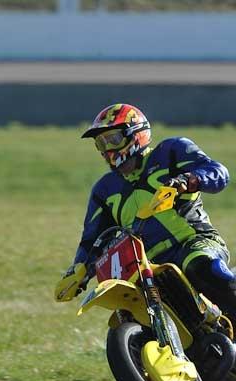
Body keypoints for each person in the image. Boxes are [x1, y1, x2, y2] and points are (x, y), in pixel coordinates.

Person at [54, 103, 236, 318]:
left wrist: (191, 180)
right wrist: (80, 271)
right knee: (129, 309)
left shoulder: (171, 151)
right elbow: (93, 240)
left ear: (136, 135)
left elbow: (218, 172)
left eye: (112, 139)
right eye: (100, 144)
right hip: (146, 266)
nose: (107, 150)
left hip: (194, 241)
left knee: (201, 266)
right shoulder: (104, 190)